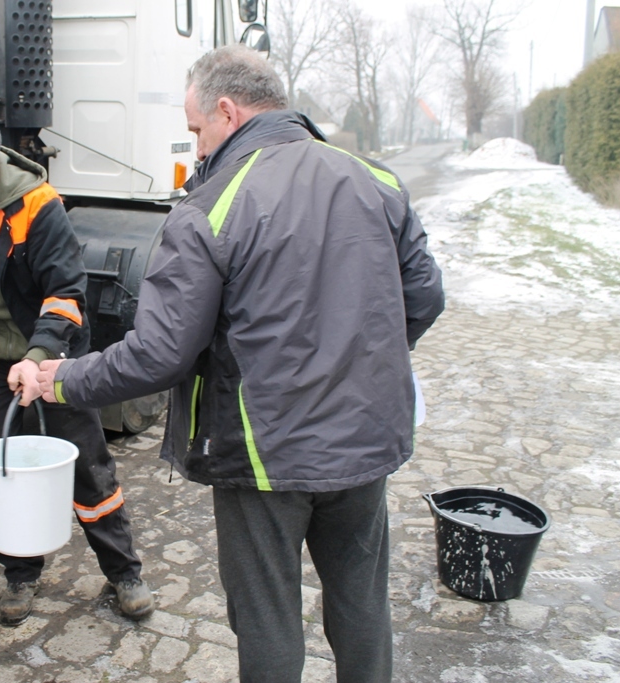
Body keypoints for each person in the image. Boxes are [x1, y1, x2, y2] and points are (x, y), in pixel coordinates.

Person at [32, 46, 444, 682]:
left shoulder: (211, 208)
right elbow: (424, 299)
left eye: (196, 130)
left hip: (265, 453)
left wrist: (61, 379)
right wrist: (355, 365)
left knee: (267, 618)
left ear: (227, 111)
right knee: (362, 603)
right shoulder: (376, 180)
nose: (195, 147)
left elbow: (160, 355)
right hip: (364, 442)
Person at [0, 98, 154, 626]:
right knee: (2, 471)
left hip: (48, 355)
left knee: (88, 465)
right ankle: (19, 575)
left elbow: (65, 292)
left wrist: (40, 358)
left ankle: (123, 571)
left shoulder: (38, 205)